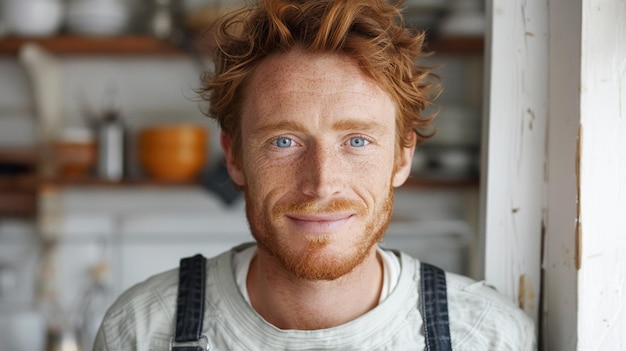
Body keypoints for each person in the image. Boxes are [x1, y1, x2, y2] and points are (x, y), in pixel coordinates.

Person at [94, 0, 535, 350]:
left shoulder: (488, 336)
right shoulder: (140, 332)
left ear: (402, 159)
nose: (322, 183)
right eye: (284, 141)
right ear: (235, 158)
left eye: (357, 141)